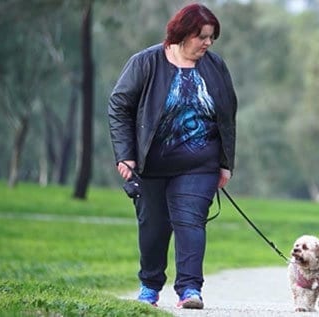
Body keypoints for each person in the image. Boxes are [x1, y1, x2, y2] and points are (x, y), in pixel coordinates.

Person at [108, 3, 237, 309]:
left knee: (191, 222)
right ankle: (150, 287)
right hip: (151, 164)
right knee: (153, 227)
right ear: (182, 34)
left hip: (199, 165)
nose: (208, 43)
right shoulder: (146, 63)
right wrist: (125, 155)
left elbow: (228, 115)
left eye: (211, 37)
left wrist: (225, 163)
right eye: (202, 36)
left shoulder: (215, 66)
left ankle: (190, 289)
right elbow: (119, 106)